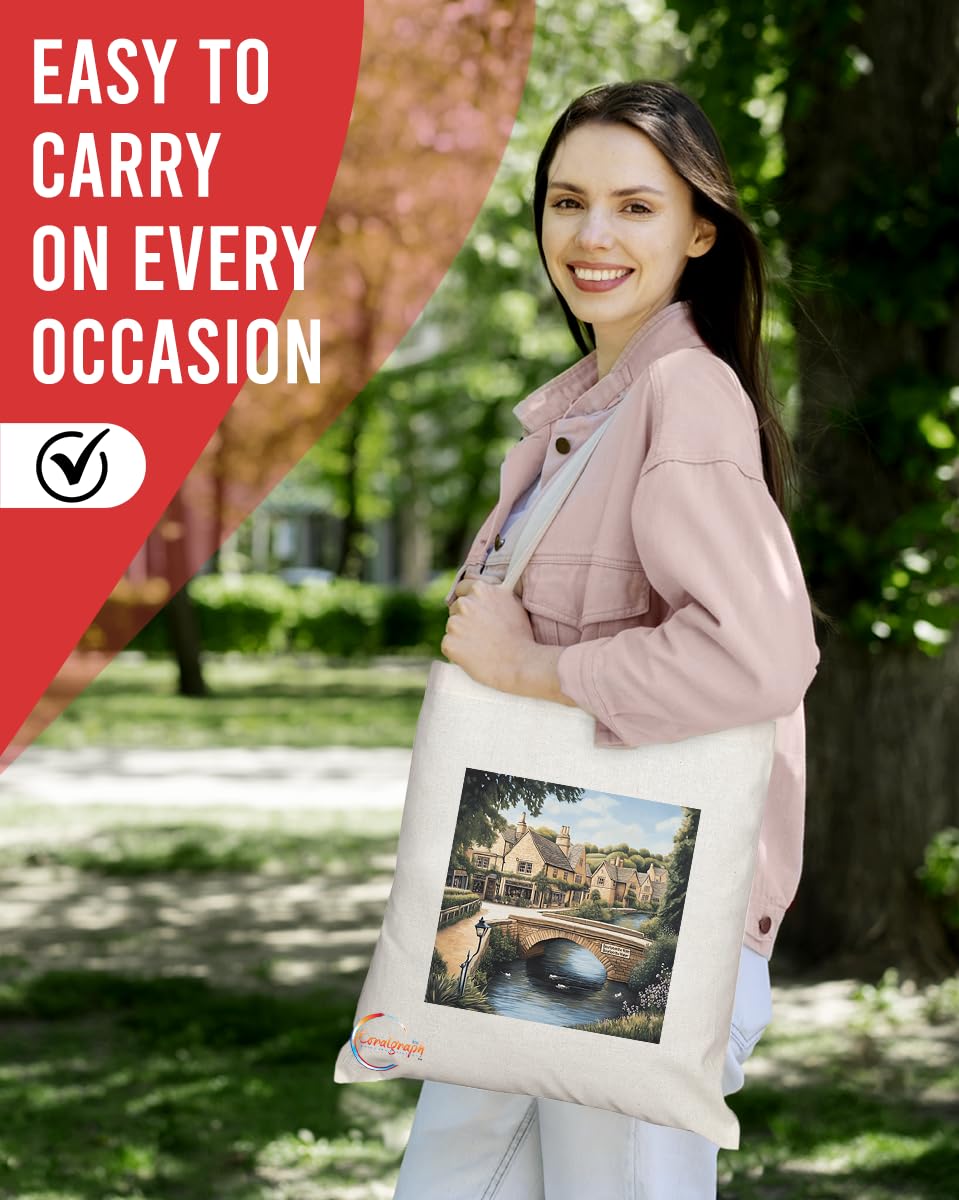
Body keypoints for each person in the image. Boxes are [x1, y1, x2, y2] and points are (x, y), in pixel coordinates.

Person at [392, 79, 820, 1200]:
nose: (590, 236)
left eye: (634, 207)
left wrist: (530, 668)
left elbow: (757, 659)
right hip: (547, 920)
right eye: (566, 201)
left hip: (646, 936)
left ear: (698, 229)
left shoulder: (684, 398)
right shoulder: (587, 415)